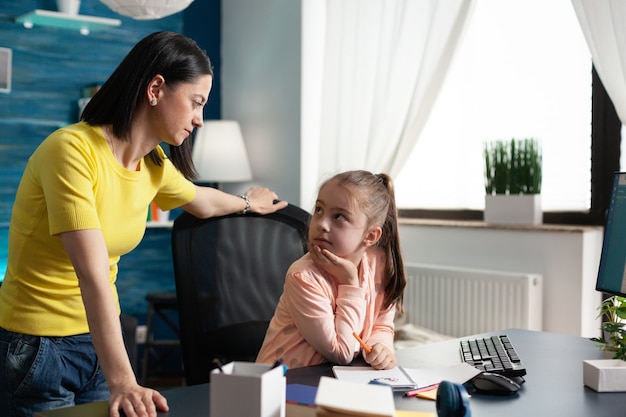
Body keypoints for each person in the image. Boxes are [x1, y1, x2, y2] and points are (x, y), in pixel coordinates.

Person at [0, 31, 287, 417]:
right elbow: (93, 275)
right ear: (156, 88)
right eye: (196, 103)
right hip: (39, 347)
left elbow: (200, 200)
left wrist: (249, 202)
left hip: (99, 342)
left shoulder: (151, 164)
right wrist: (124, 380)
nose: (200, 120)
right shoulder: (71, 151)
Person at [256, 170, 406, 370]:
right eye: (319, 210)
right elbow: (341, 352)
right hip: (284, 385)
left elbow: (381, 323)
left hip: (336, 380)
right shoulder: (303, 276)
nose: (322, 224)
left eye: (339, 217)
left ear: (370, 236)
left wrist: (381, 347)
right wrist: (349, 282)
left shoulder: (379, 265)